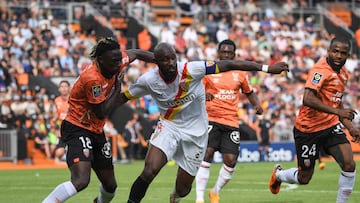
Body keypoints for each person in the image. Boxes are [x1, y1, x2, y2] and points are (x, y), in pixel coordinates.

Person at [113, 42, 288, 203]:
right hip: (170, 126)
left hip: (197, 133)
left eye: (173, 58)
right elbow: (123, 97)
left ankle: (176, 196)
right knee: (149, 170)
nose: (172, 63)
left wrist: (266, 68)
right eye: (166, 60)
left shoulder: (192, 69)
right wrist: (110, 90)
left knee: (183, 189)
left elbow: (230, 66)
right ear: (156, 62)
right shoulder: (148, 80)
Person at [42, 37, 155, 203]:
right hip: (77, 127)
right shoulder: (92, 79)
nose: (118, 64)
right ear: (100, 60)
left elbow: (136, 53)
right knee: (81, 180)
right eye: (113, 61)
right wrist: (118, 87)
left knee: (110, 186)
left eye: (119, 60)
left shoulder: (116, 60)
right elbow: (102, 112)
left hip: (96, 130)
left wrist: (160, 60)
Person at [269, 37, 360, 203]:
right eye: (335, 51)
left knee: (349, 164)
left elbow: (336, 103)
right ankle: (279, 175)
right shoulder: (319, 71)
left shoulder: (344, 75)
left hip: (331, 126)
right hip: (308, 129)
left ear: (348, 56)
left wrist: (350, 128)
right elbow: (308, 99)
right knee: (304, 178)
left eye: (343, 53)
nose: (339, 55)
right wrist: (336, 111)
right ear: (329, 51)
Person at [195, 39, 263, 203]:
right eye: (223, 52)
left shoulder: (240, 73)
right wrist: (203, 95)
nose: (226, 55)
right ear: (218, 53)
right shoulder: (209, 70)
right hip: (211, 118)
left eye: (229, 52)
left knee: (231, 160)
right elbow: (195, 90)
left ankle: (215, 191)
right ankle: (199, 198)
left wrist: (257, 105)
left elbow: (249, 91)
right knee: (207, 153)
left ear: (234, 54)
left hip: (231, 121)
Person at [53, 80, 71, 164]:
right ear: (59, 89)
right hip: (62, 130)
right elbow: (56, 115)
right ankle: (60, 159)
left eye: (65, 86)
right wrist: (54, 125)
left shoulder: (73, 99)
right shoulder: (57, 100)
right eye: (62, 87)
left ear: (69, 88)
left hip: (73, 128)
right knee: (59, 152)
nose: (64, 89)